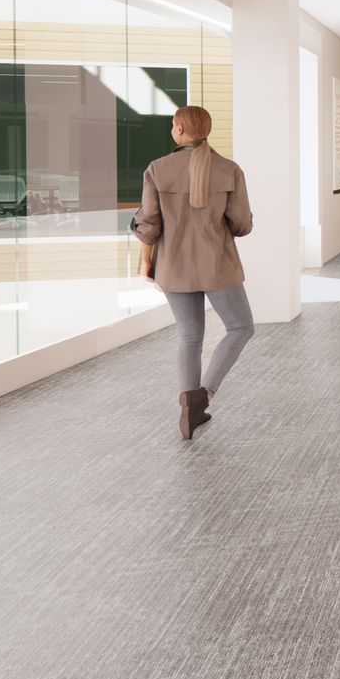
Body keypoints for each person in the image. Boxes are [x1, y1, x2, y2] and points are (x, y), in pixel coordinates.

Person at [132, 105, 256, 440]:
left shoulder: (157, 169)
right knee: (241, 326)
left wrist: (146, 262)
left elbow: (148, 225)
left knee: (189, 335)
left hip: (173, 266)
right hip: (217, 264)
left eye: (174, 125)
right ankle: (205, 394)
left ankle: (189, 406)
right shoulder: (229, 170)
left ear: (180, 130)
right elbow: (242, 224)